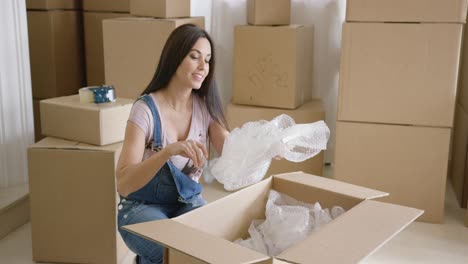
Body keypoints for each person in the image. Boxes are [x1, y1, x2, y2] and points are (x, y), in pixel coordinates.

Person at [116, 24, 229, 264]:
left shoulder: (205, 106)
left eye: (207, 60)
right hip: (140, 207)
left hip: (187, 203)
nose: (203, 67)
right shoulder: (145, 110)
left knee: (210, 248)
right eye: (194, 57)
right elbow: (124, 184)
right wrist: (167, 151)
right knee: (176, 252)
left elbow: (232, 150)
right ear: (175, 57)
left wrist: (266, 146)